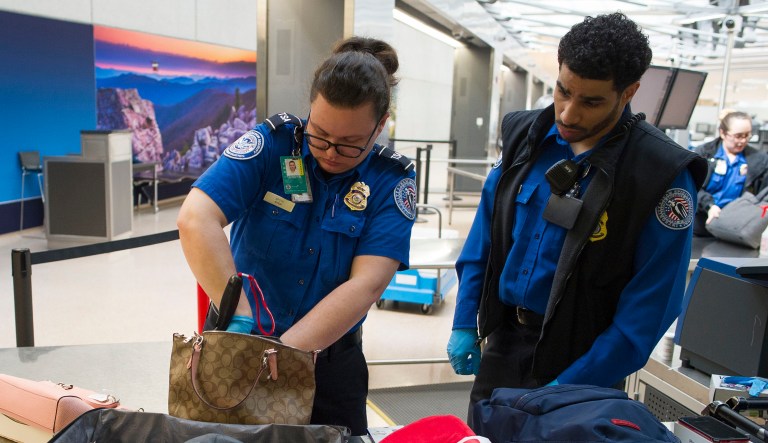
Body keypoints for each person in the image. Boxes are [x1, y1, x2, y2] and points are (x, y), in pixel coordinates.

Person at [445, 12, 707, 428]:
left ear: (629, 93)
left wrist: (567, 389)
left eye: (590, 102)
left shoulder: (659, 174)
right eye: (562, 91)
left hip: (586, 367)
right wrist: (465, 321)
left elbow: (650, 309)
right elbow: (485, 239)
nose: (567, 114)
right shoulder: (525, 137)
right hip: (504, 346)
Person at [177, 36, 417, 435]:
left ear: (380, 126)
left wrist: (285, 353)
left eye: (350, 144)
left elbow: (368, 282)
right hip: (239, 349)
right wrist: (241, 316)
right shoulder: (272, 145)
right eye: (319, 134)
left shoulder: (391, 180)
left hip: (330, 364)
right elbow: (195, 218)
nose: (330, 152)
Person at [693, 110, 768, 236]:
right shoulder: (704, 153)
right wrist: (709, 205)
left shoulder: (759, 160)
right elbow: (693, 187)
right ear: (723, 133)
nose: (743, 141)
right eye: (738, 136)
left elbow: (762, 195)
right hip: (701, 223)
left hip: (737, 227)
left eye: (747, 135)